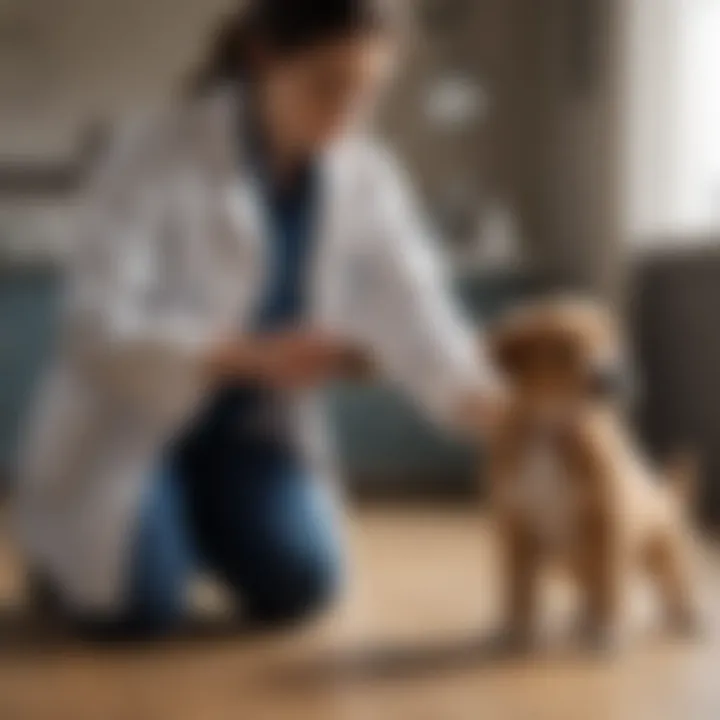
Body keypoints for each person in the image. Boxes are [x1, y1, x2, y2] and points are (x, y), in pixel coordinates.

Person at [13, 0, 502, 641]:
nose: (347, 112)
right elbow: (92, 324)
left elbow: (417, 309)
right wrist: (244, 358)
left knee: (303, 584)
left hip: (244, 434)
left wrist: (495, 403)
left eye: (368, 92)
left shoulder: (366, 175)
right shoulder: (154, 149)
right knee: (138, 609)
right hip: (135, 422)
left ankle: (191, 522)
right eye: (327, 83)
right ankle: (89, 550)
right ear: (263, 57)